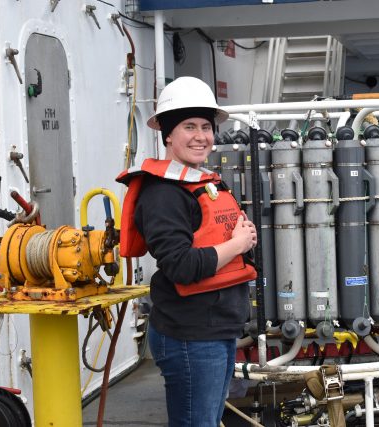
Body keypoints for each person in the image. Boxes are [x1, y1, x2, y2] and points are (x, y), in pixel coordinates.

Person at [117, 76, 257, 426]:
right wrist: (236, 244)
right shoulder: (163, 194)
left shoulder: (199, 182)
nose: (201, 136)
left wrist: (245, 239)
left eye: (206, 127)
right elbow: (180, 265)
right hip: (190, 335)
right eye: (188, 126)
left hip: (214, 330)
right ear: (167, 134)